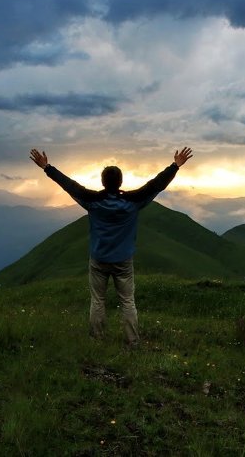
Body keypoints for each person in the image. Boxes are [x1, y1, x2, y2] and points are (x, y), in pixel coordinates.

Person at [30, 147, 193, 346]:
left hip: (99, 259)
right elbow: (154, 186)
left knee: (98, 300)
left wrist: (47, 167)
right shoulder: (133, 202)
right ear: (121, 182)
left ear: (103, 182)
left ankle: (97, 340)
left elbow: (70, 186)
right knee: (127, 301)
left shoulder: (92, 201)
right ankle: (133, 341)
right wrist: (175, 166)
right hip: (123, 261)